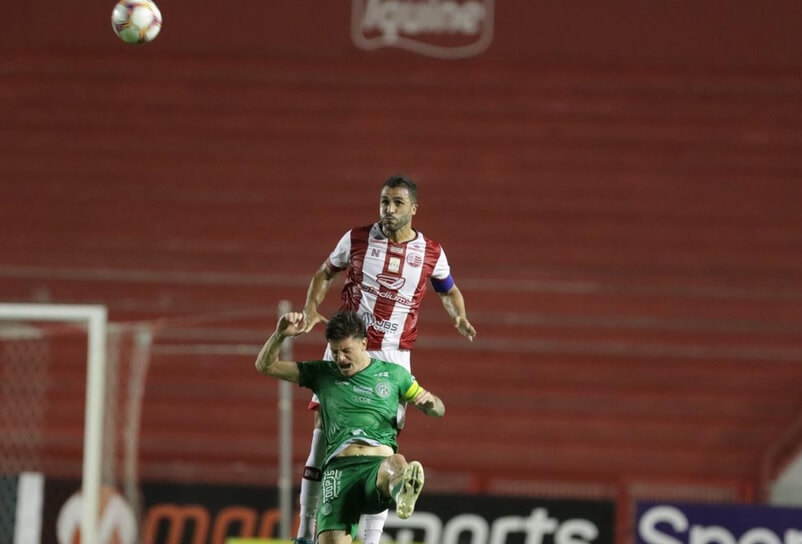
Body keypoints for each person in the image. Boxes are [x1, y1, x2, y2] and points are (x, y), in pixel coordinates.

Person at [296, 175, 476, 544]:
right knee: (321, 439)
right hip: (346, 348)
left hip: (394, 356)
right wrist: (310, 309)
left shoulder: (431, 252)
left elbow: (449, 289)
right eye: (383, 202)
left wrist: (458, 314)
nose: (388, 210)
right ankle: (304, 533)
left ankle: (372, 539)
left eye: (396, 203)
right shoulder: (356, 238)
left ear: (413, 208)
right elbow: (324, 272)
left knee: (383, 448)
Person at [255, 310, 446, 544]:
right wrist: (279, 335)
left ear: (364, 343)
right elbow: (265, 366)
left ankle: (402, 493)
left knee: (397, 463)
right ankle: (400, 489)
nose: (340, 359)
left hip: (376, 466)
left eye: (346, 351)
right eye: (335, 352)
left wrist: (430, 405)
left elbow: (439, 408)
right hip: (338, 471)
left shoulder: (395, 375)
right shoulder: (322, 373)